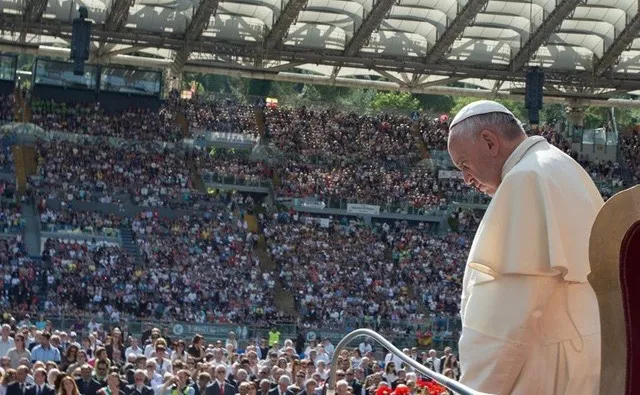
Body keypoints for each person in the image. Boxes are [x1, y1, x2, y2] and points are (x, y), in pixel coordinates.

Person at [447, 100, 602, 394]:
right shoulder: (562, 165)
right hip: (583, 358)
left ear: (490, 142)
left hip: (547, 366)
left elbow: (506, 318)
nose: (466, 178)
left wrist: (474, 388)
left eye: (464, 164)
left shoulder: (524, 179)